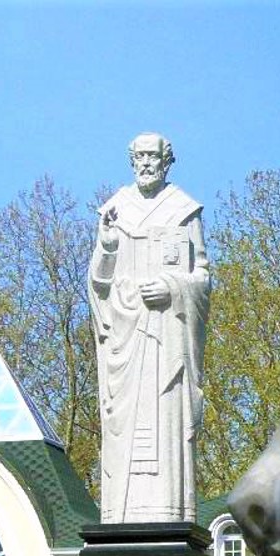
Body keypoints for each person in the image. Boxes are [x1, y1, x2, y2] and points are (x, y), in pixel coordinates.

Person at [88, 132, 210, 523]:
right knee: (123, 427)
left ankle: (167, 510)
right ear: (131, 160)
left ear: (166, 161)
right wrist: (107, 246)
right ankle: (120, 516)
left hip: (165, 340)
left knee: (165, 425)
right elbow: (99, 285)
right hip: (124, 337)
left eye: (152, 157)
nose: (145, 163)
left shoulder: (184, 211)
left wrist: (174, 289)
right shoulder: (114, 212)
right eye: (139, 156)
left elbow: (202, 277)